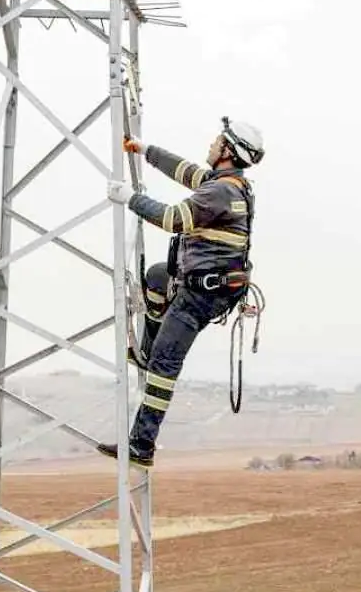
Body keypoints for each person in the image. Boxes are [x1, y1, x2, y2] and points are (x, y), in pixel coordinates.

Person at [99, 116, 265, 468]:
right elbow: (184, 171)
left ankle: (142, 445)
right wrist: (145, 150)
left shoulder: (221, 191)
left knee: (165, 364)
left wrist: (130, 198)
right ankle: (146, 349)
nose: (211, 144)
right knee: (158, 277)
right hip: (210, 286)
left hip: (201, 295)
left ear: (227, 151)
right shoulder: (229, 184)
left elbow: (174, 219)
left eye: (217, 140)